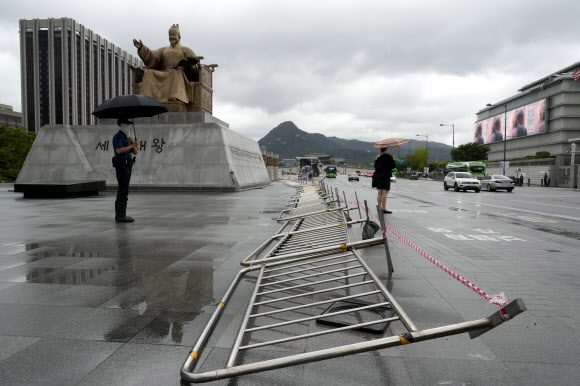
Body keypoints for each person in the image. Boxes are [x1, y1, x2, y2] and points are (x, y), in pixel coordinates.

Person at [133, 24, 199, 103]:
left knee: (176, 72)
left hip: (178, 73)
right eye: (170, 35)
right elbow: (152, 56)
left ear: (179, 37)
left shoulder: (186, 50)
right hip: (163, 71)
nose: (171, 37)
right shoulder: (163, 50)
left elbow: (196, 64)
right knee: (149, 72)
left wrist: (187, 65)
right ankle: (146, 97)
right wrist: (142, 48)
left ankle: (175, 96)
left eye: (174, 35)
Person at [112, 119, 139, 222]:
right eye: (127, 124)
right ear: (121, 124)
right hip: (121, 165)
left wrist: (134, 143)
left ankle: (122, 213)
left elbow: (135, 152)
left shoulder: (127, 138)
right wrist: (132, 145)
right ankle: (120, 215)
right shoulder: (118, 136)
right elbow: (118, 150)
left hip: (128, 165)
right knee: (122, 188)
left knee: (125, 188)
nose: (128, 127)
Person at [372, 146, 396, 214]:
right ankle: (384, 208)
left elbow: (375, 165)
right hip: (385, 176)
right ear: (386, 149)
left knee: (379, 192)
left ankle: (379, 207)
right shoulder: (388, 156)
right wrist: (393, 159)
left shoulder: (378, 156)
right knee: (385, 193)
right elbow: (393, 165)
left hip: (378, 175)